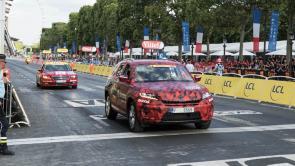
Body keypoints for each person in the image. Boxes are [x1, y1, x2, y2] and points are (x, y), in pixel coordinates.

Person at [0, 54, 14, 155]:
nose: (5, 64)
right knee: (4, 124)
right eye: (4, 62)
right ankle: (3, 148)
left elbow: (5, 81)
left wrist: (4, 73)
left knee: (4, 124)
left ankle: (3, 148)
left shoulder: (1, 72)